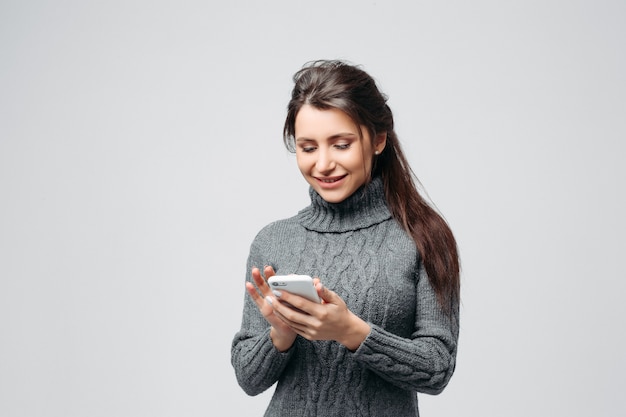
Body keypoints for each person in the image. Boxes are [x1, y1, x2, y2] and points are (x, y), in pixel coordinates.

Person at [231, 59, 460, 417]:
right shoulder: (274, 240)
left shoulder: (424, 237)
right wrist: (281, 334)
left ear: (378, 140)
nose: (323, 164)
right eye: (308, 148)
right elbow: (248, 378)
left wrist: (351, 330)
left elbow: (437, 368)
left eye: (341, 144)